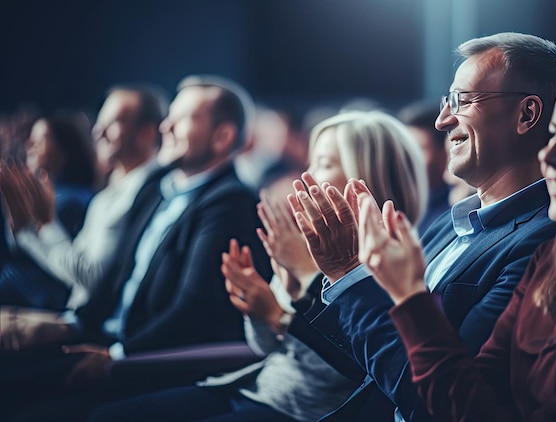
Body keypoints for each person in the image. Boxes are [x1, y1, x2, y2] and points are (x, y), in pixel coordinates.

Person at [286, 32, 556, 421]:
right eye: (445, 102)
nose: (442, 120)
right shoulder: (447, 226)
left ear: (526, 115)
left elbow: (442, 402)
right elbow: (366, 366)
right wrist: (315, 284)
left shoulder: (544, 241)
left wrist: (350, 273)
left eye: (462, 101)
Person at [87, 109, 428, 422]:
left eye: (323, 163)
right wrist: (258, 307)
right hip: (253, 388)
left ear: (362, 175)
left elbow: (362, 366)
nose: (307, 174)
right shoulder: (312, 242)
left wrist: (292, 302)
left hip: (302, 410)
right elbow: (266, 346)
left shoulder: (392, 257)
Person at [358, 58, 556, 421]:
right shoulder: (548, 260)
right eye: (555, 133)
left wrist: (405, 296)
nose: (550, 153)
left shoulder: (537, 242)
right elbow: (467, 393)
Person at [0, 75, 272, 421]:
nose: (166, 126)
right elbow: (115, 276)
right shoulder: (156, 186)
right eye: (169, 114)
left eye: (183, 117)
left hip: (146, 360)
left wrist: (118, 355)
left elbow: (192, 311)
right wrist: (73, 325)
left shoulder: (231, 204)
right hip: (106, 338)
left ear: (223, 137)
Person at [1, 85, 166, 310]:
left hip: (86, 323)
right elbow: (76, 267)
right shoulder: (111, 193)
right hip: (74, 315)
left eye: (114, 122)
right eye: (100, 121)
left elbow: (88, 277)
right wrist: (27, 230)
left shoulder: (148, 194)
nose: (98, 131)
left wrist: (45, 226)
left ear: (147, 133)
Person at [397, 100, 452, 235]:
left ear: (444, 153)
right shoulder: (397, 203)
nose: (409, 159)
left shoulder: (454, 209)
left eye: (419, 149)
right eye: (405, 150)